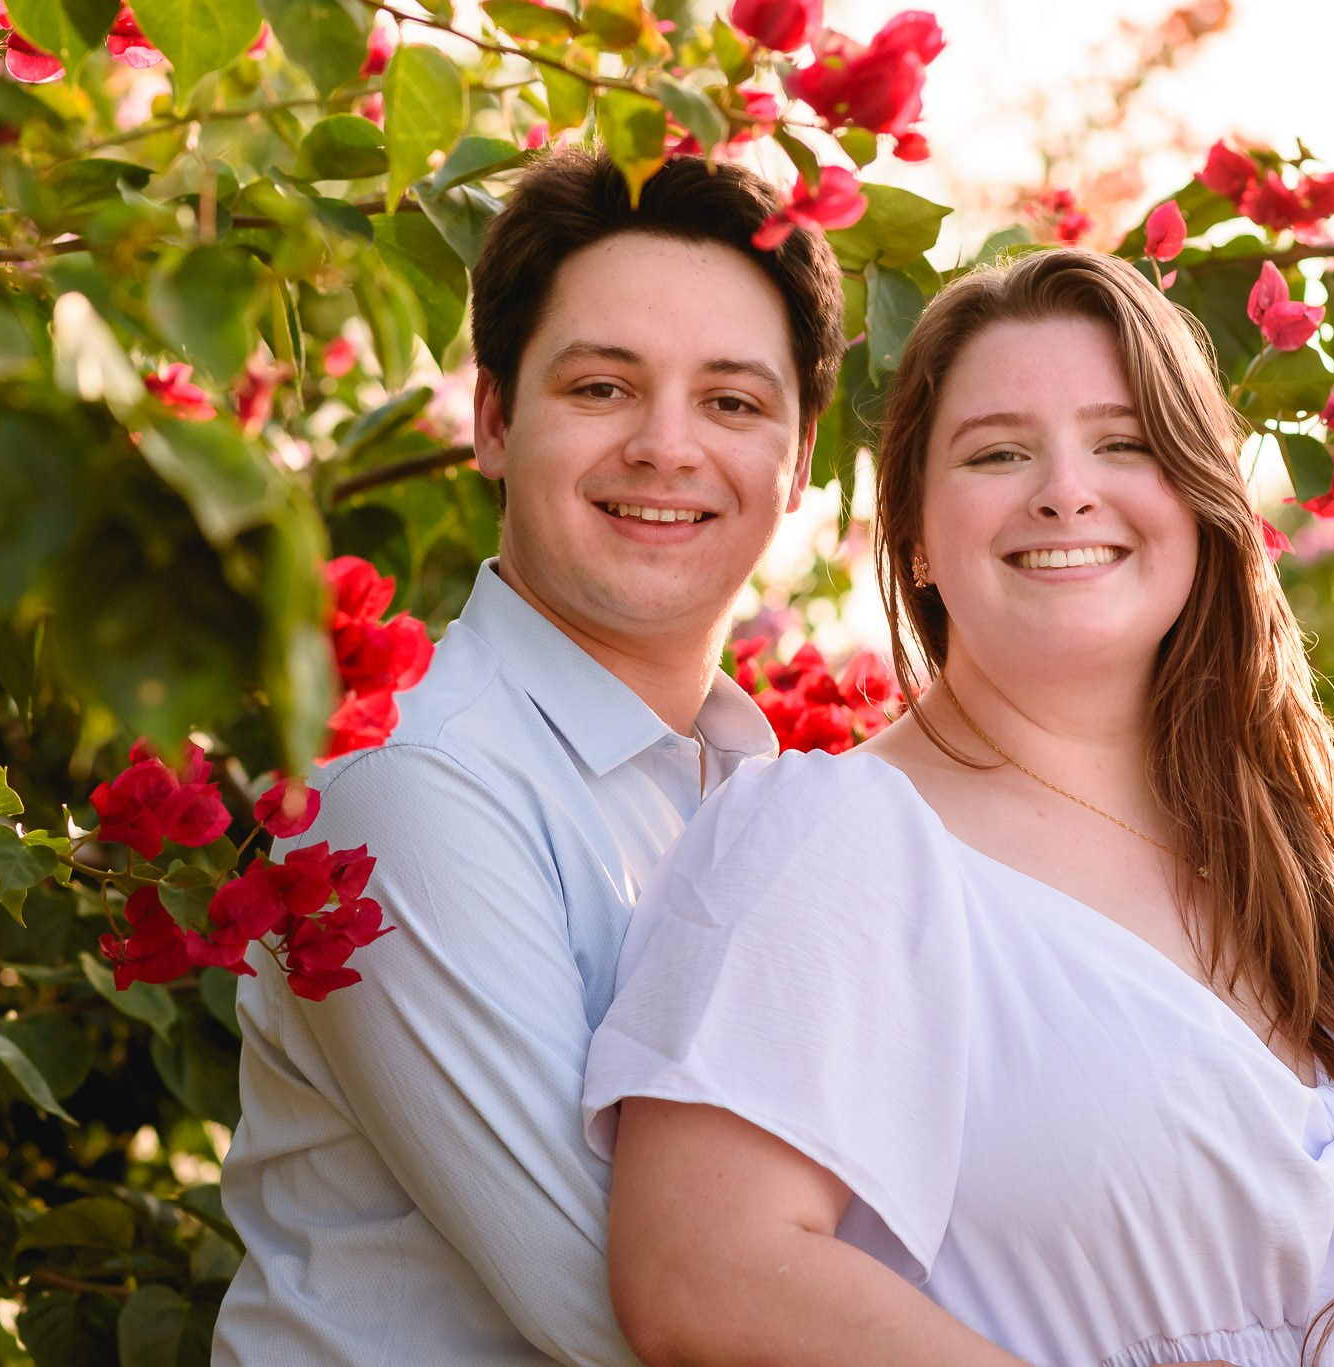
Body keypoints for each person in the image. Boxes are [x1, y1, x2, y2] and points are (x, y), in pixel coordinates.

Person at [582, 248, 1334, 1367]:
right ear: (912, 529)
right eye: (998, 451)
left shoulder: (1274, 844)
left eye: (1123, 443)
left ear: (1200, 501)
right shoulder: (832, 839)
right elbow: (700, 1271)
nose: (1065, 488)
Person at [211, 151, 847, 1366]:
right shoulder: (411, 782)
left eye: (731, 403)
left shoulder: (754, 790)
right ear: (494, 422)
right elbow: (637, 1313)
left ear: (800, 458)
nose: (668, 449)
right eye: (603, 387)